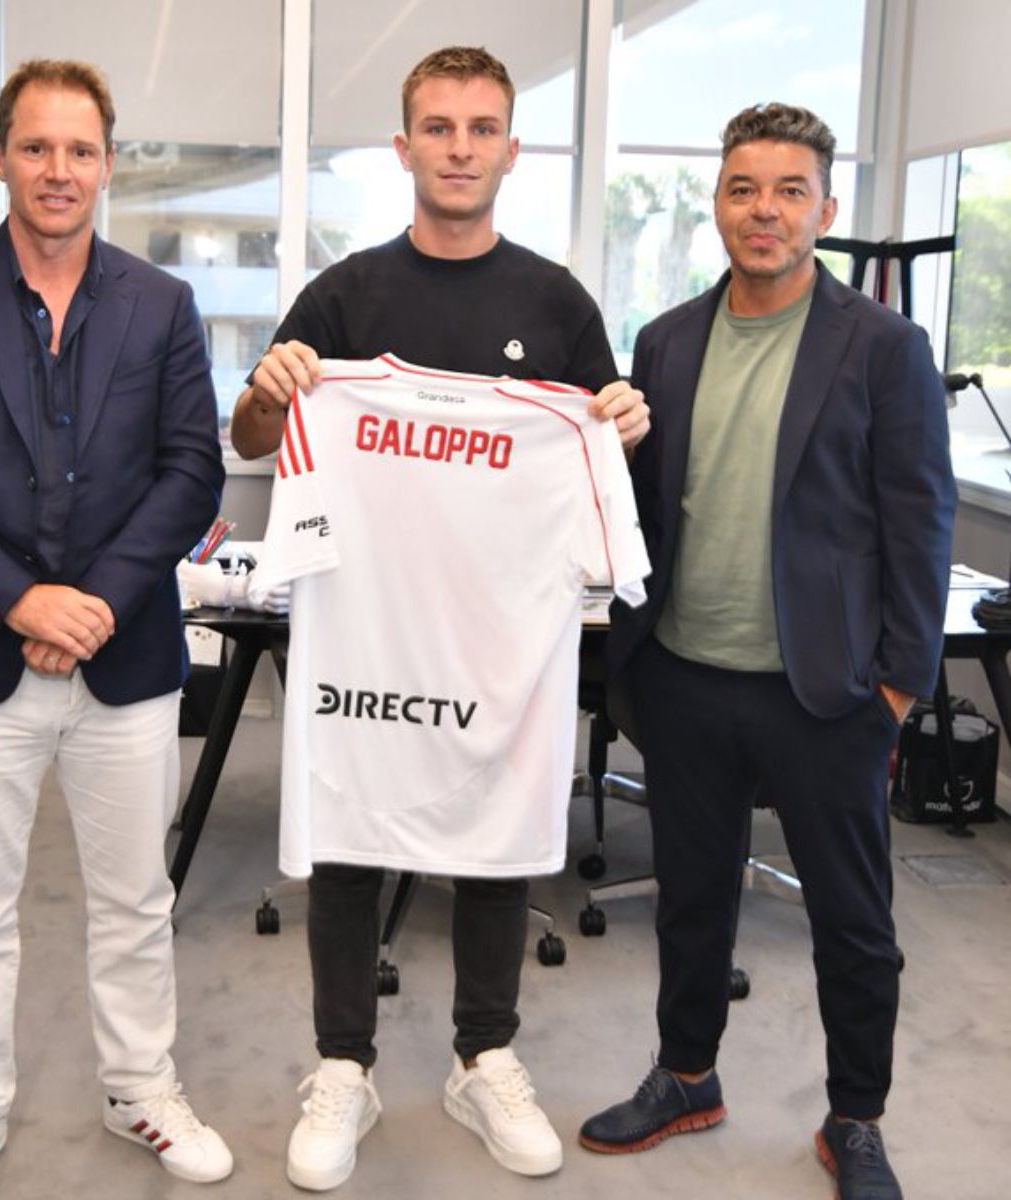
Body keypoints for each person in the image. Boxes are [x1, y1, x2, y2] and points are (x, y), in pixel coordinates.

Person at [232, 44, 648, 1193]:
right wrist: (268, 393)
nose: (460, 148)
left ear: (511, 149)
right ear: (404, 146)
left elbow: (599, 450)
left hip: (502, 634)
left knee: (496, 834)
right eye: (439, 126)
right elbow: (254, 438)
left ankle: (483, 1056)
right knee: (348, 827)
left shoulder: (557, 304)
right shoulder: (345, 295)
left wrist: (622, 421)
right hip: (365, 622)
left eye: (481, 128)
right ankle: (343, 1065)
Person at [0, 59, 233, 1198]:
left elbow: (191, 470)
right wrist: (20, 600)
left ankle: (140, 1090)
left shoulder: (161, 303)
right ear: (0, 156)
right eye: (36, 147)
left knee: (136, 903)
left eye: (79, 150)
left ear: (109, 164)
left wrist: (98, 601)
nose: (57, 170)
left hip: (127, 660)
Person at [579, 103, 956, 1200]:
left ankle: (856, 1119)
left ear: (825, 211)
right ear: (717, 203)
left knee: (853, 921)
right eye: (744, 188)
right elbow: (648, 504)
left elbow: (920, 521)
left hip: (828, 692)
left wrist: (898, 687)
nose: (765, 210)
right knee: (693, 899)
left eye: (791, 191)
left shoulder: (884, 347)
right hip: (685, 674)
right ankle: (687, 1075)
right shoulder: (666, 340)